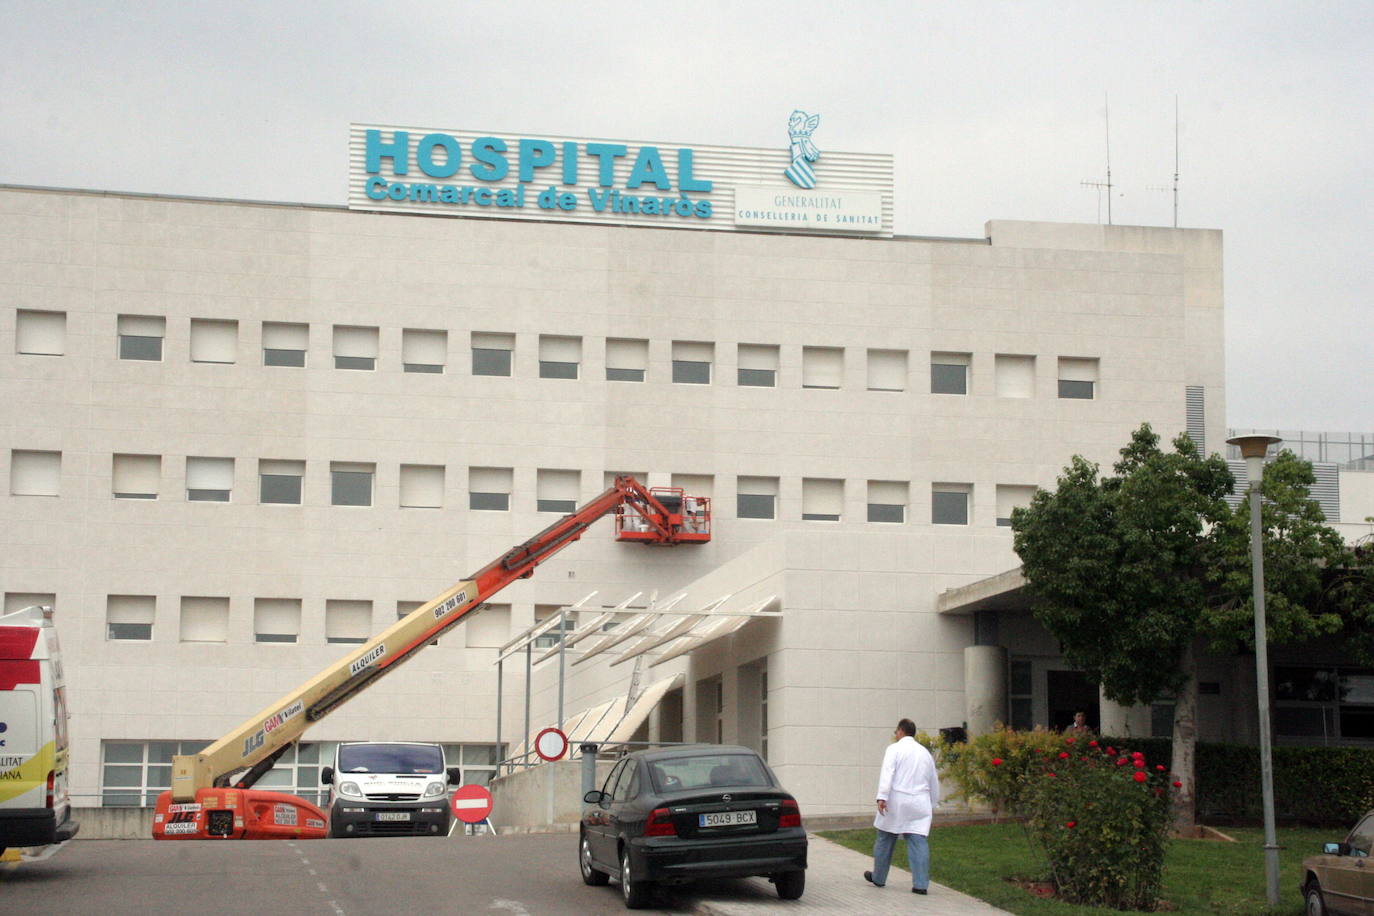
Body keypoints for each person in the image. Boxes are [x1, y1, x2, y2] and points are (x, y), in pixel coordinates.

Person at [864, 718, 939, 895]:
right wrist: (932, 803)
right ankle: (921, 884)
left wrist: (882, 796)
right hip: (920, 802)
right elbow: (933, 780)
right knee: (918, 841)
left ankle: (879, 877)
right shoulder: (925, 753)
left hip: (897, 799)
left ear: (900, 731)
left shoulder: (894, 749)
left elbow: (887, 773)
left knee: (885, 838)